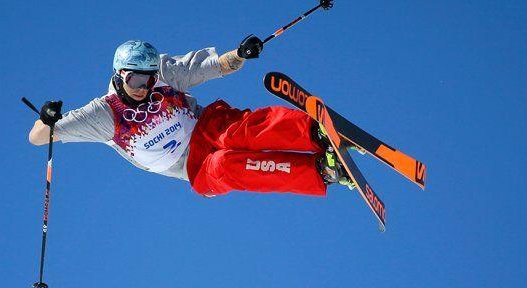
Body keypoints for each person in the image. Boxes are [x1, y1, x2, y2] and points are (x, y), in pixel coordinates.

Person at [28, 37, 354, 197]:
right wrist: (46, 118)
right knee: (225, 166)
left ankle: (315, 133)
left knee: (234, 135)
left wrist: (239, 54)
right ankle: (321, 171)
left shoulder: (166, 74)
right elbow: (39, 137)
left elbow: (216, 67)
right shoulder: (102, 115)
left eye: (149, 79)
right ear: (119, 76)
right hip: (189, 166)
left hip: (205, 125)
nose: (144, 88)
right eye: (135, 81)